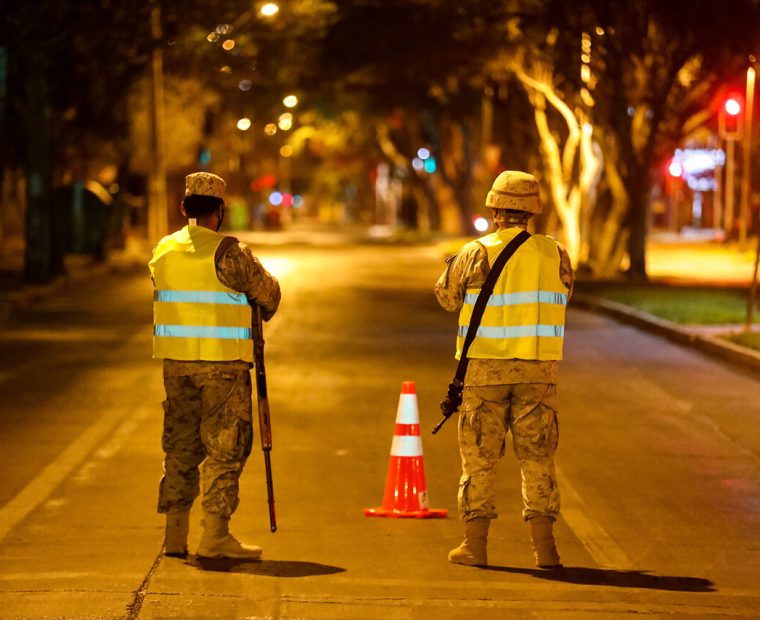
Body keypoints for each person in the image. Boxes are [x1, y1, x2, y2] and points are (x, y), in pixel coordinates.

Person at [434, 170, 573, 569]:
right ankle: (546, 550)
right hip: (538, 374)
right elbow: (566, 295)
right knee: (538, 461)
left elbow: (446, 297)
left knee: (480, 461)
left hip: (485, 373)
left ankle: (475, 546)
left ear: (494, 207)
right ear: (534, 209)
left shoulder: (477, 252)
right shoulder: (555, 253)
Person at [149, 172, 281, 560]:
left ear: (183, 208)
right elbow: (268, 296)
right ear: (219, 211)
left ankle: (174, 536)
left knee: (180, 446)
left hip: (175, 365)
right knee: (226, 448)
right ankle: (215, 537)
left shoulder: (163, 249)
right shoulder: (229, 252)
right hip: (222, 367)